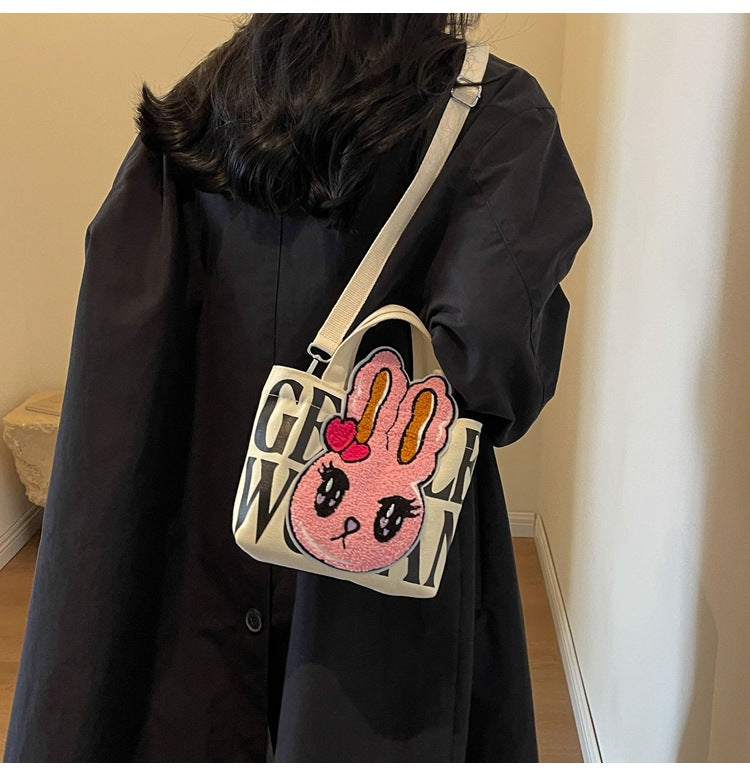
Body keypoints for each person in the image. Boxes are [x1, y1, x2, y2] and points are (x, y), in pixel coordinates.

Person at [3, 13, 593, 763]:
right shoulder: (496, 114)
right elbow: (493, 370)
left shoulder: (203, 105)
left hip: (195, 525)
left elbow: (118, 355)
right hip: (383, 557)